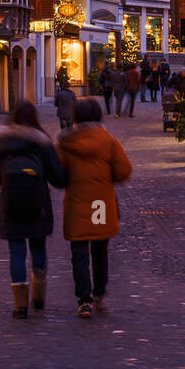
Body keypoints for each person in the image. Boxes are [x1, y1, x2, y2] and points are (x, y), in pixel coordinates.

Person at [0, 102, 65, 318]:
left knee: (17, 251)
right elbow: (57, 177)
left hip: (11, 200)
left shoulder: (1, 143)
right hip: (36, 200)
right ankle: (38, 297)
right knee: (38, 248)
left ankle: (20, 305)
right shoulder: (42, 142)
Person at [56, 98, 132, 318]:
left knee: (79, 253)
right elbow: (124, 171)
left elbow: (59, 175)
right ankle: (99, 293)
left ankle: (84, 300)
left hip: (77, 201)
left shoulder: (66, 142)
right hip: (100, 203)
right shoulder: (108, 141)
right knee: (100, 250)